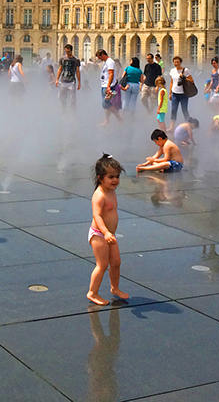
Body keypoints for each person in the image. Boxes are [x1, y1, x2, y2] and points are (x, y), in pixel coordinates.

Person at [86, 154, 128, 306]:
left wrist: (110, 233)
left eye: (117, 176)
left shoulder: (111, 191)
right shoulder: (99, 195)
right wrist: (106, 232)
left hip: (110, 234)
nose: (115, 180)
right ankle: (92, 292)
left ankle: (114, 288)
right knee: (102, 265)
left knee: (116, 262)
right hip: (99, 234)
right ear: (100, 178)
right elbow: (97, 216)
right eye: (111, 177)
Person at [97, 50, 122, 128]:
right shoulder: (106, 62)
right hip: (105, 85)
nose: (99, 59)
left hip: (109, 86)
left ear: (103, 55)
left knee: (106, 103)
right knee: (105, 104)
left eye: (99, 57)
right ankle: (107, 120)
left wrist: (108, 86)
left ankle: (119, 118)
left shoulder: (110, 62)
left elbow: (111, 74)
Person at [168, 56, 194, 126]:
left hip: (183, 94)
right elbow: (171, 82)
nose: (176, 63)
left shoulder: (185, 70)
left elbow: (191, 80)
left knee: (184, 110)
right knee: (173, 110)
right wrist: (170, 93)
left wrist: (184, 77)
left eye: (177, 62)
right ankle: (172, 126)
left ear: (180, 62)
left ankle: (189, 124)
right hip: (175, 93)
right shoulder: (172, 71)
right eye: (175, 62)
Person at [56, 44, 81, 111]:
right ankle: (63, 113)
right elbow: (60, 69)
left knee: (72, 100)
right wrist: (57, 79)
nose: (67, 53)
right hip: (63, 81)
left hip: (71, 81)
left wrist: (79, 82)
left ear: (71, 51)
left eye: (68, 52)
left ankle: (72, 114)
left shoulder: (76, 60)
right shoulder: (62, 58)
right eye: (66, 51)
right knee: (62, 99)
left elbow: (77, 71)